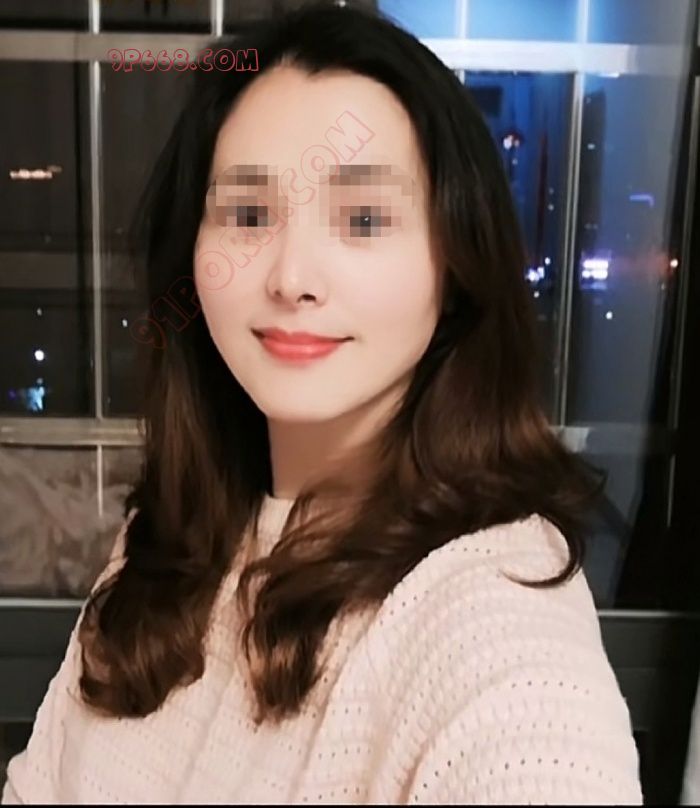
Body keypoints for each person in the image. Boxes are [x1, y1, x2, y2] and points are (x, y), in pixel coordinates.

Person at [1, 1, 643, 803]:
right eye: (247, 215)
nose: (291, 276)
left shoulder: (497, 613)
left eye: (363, 219)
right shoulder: (165, 541)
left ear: (454, 261)